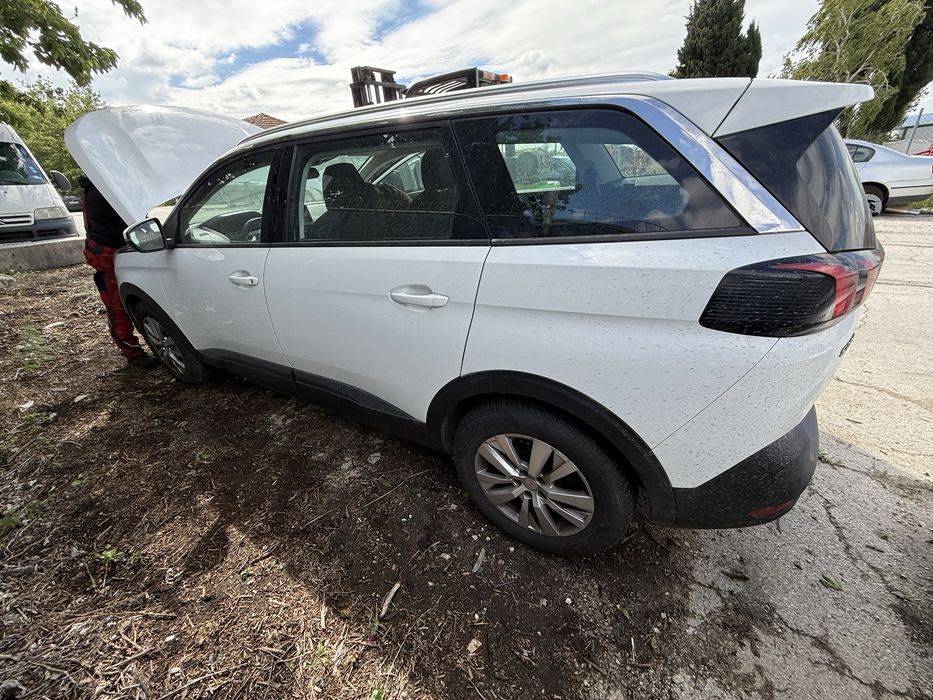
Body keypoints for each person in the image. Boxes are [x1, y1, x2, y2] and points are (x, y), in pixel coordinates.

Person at [80, 175, 160, 368]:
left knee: (129, 301)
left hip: (115, 249)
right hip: (109, 253)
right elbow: (135, 219)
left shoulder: (99, 185)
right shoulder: (103, 191)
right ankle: (132, 353)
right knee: (118, 306)